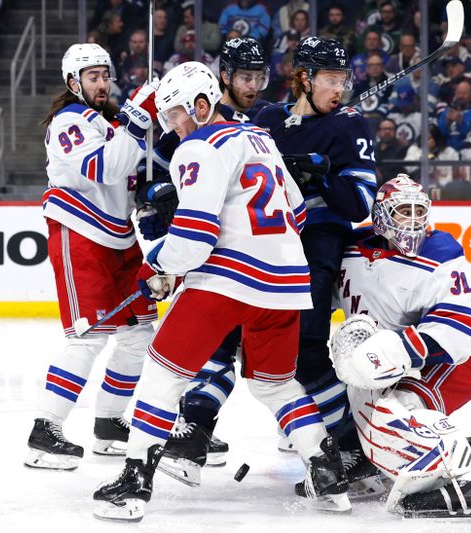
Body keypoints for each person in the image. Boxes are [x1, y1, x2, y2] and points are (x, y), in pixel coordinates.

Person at [92, 61, 351, 521]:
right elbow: (296, 210)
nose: (171, 124)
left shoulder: (198, 146)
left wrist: (157, 260)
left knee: (162, 373)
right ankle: (326, 471)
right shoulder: (260, 139)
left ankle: (134, 481)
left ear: (201, 104)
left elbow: (193, 238)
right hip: (288, 282)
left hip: (228, 279)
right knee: (274, 385)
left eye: (174, 114)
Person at [23, 43, 162, 471]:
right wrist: (138, 120)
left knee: (140, 333)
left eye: (105, 75)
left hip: (120, 239)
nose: (102, 84)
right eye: (93, 77)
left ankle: (108, 424)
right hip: (79, 233)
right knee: (87, 337)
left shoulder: (111, 121)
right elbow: (105, 168)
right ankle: (44, 431)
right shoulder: (69, 120)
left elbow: (135, 173)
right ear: (73, 82)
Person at [254, 37, 381, 499]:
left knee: (306, 350)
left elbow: (359, 204)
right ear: (304, 78)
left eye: (344, 79)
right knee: (258, 351)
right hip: (263, 246)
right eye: (330, 79)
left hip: (317, 243)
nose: (340, 88)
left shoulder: (349, 126)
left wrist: (321, 175)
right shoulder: (269, 118)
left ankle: (348, 449)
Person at [330, 174, 471, 518]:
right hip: (399, 359)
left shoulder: (440, 251)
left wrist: (390, 351)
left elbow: (460, 330)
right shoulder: (349, 248)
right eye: (404, 211)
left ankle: (462, 481)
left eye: (420, 212)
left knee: (397, 409)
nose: (414, 221)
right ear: (382, 216)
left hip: (455, 359)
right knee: (360, 408)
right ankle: (372, 462)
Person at [149, 37, 274, 474]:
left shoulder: (269, 119)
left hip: (252, 255)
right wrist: (164, 194)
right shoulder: (203, 122)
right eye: (245, 77)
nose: (254, 85)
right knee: (219, 351)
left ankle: (195, 432)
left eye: (259, 76)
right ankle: (197, 428)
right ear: (224, 78)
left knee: (241, 357)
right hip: (221, 252)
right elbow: (171, 157)